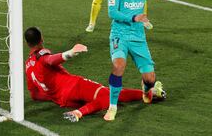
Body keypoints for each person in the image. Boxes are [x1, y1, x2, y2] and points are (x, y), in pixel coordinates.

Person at [24, 26, 165, 122]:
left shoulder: (27, 66)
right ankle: (79, 112)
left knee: (109, 93)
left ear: (27, 43)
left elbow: (34, 95)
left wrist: (52, 95)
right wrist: (70, 53)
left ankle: (149, 92)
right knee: (106, 95)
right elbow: (49, 60)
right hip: (74, 85)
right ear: (41, 39)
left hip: (63, 100)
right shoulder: (42, 56)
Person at [104, 0, 169, 121]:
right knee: (118, 66)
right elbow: (112, 13)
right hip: (120, 34)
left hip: (138, 37)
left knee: (150, 78)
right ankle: (112, 106)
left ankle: (147, 88)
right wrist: (134, 18)